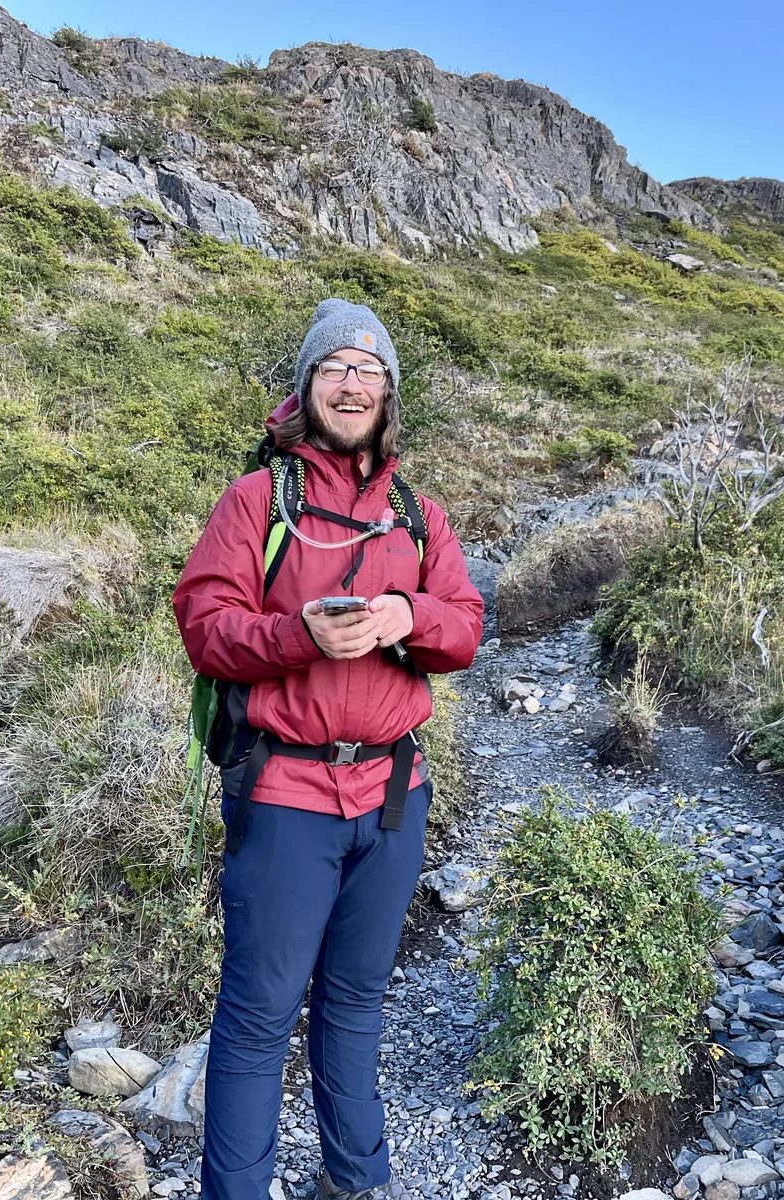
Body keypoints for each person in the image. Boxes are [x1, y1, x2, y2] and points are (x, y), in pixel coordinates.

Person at [173, 299, 485, 1200]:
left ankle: (356, 1182)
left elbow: (463, 630)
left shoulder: (420, 516)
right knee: (259, 1019)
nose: (353, 383)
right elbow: (207, 628)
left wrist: (407, 617)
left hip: (392, 798)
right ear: (308, 389)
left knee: (354, 1008)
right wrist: (302, 635)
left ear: (389, 394)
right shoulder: (258, 500)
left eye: (369, 369)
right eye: (334, 367)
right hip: (285, 797)